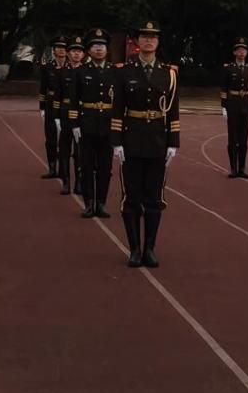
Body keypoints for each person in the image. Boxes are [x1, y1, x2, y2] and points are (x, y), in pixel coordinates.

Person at [113, 21, 180, 268]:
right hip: (131, 139)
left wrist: (173, 142)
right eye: (144, 36)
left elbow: (173, 110)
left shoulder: (169, 73)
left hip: (157, 141)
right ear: (137, 42)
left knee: (154, 198)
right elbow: (117, 108)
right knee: (131, 197)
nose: (149, 40)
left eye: (153, 37)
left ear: (158, 42)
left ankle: (150, 248)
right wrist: (116, 142)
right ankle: (134, 249)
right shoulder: (124, 71)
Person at [69, 28, 119, 219]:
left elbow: (120, 102)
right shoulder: (81, 71)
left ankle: (101, 203)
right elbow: (74, 100)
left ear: (107, 49)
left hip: (108, 125)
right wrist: (74, 124)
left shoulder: (115, 72)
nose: (99, 49)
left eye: (102, 46)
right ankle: (89, 203)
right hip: (87, 124)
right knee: (87, 166)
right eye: (95, 46)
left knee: (105, 168)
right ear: (89, 50)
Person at [220, 37, 248, 178]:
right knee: (233, 138)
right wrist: (223, 106)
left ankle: (242, 168)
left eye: (244, 50)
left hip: (246, 104)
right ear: (234, 52)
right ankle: (233, 168)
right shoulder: (228, 68)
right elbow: (224, 88)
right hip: (233, 104)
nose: (242, 53)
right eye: (239, 50)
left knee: (243, 139)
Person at [56, 34, 85, 195]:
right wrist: (56, 116)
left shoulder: (86, 72)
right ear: (68, 53)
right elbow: (57, 96)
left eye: (79, 51)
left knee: (79, 151)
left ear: (83, 54)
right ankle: (66, 181)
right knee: (64, 149)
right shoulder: (62, 72)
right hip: (65, 112)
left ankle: (79, 182)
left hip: (81, 113)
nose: (76, 54)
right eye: (73, 51)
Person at [38, 35, 67, 179]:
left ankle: (63, 169)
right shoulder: (48, 67)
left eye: (64, 48)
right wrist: (42, 107)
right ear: (54, 50)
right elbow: (43, 88)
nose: (61, 50)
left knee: (65, 139)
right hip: (51, 104)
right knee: (51, 137)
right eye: (58, 47)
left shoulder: (71, 67)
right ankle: (52, 166)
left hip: (66, 105)